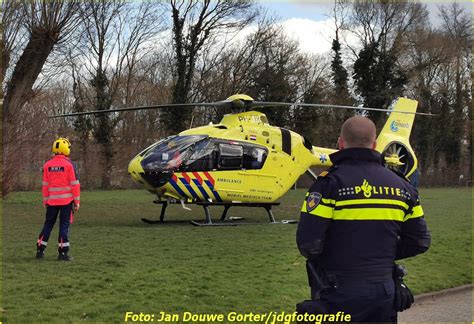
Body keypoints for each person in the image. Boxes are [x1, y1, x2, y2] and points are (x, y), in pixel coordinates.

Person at [296, 116, 431, 323]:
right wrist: (381, 257)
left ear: (340, 143)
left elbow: (309, 245)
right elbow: (419, 241)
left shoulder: (328, 185)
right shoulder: (403, 187)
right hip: (384, 293)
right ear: (375, 144)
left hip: (338, 291)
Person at [37, 138, 80, 261]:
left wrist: (45, 201)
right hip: (66, 202)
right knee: (64, 226)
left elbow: (45, 185)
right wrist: (77, 202)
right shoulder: (70, 165)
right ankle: (63, 254)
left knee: (48, 224)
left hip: (51, 202)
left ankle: (40, 249)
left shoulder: (47, 165)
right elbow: (75, 185)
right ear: (65, 149)